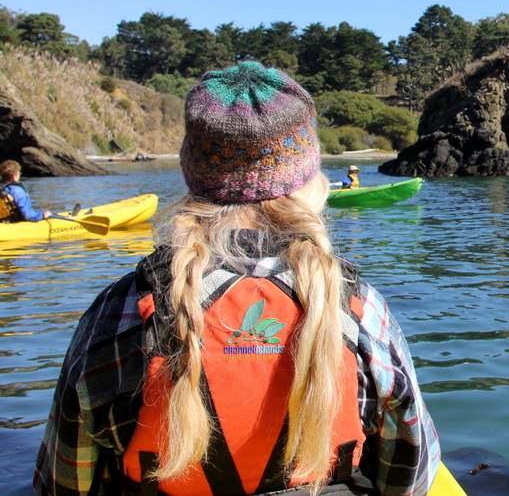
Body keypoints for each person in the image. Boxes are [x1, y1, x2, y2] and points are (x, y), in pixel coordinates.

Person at [34, 62, 440, 496]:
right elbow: (410, 478)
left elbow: (62, 485)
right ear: (306, 179)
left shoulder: (118, 309)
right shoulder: (360, 307)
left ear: (193, 170)